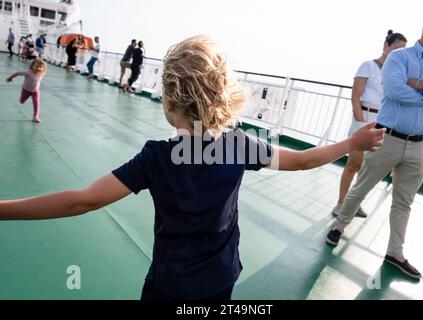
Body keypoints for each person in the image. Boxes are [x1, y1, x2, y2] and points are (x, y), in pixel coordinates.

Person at [0, 35, 384, 300]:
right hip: (221, 278)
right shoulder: (239, 145)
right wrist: (352, 142)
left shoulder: (156, 158)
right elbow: (302, 161)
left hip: (171, 286)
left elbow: (81, 201)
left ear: (169, 103)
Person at [326, 8, 423, 280]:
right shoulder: (399, 57)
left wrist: (420, 84)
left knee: (404, 202)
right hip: (387, 138)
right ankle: (339, 225)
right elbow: (394, 90)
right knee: (362, 187)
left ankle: (395, 252)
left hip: (419, 145)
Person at [332, 30, 407, 219]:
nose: (399, 53)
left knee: (367, 169)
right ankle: (340, 204)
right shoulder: (368, 66)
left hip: (382, 123)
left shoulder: (397, 73)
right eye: (396, 48)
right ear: (386, 46)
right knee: (353, 164)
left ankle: (353, 205)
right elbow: (355, 98)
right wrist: (360, 124)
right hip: (364, 120)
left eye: (403, 51)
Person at [5, 58, 47, 123]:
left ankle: (35, 117)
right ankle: (22, 99)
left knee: (36, 103)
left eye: (40, 67)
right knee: (22, 101)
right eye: (37, 66)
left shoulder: (41, 73)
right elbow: (18, 73)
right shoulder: (28, 73)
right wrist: (10, 78)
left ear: (43, 68)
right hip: (26, 90)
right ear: (32, 66)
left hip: (35, 91)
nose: (38, 68)